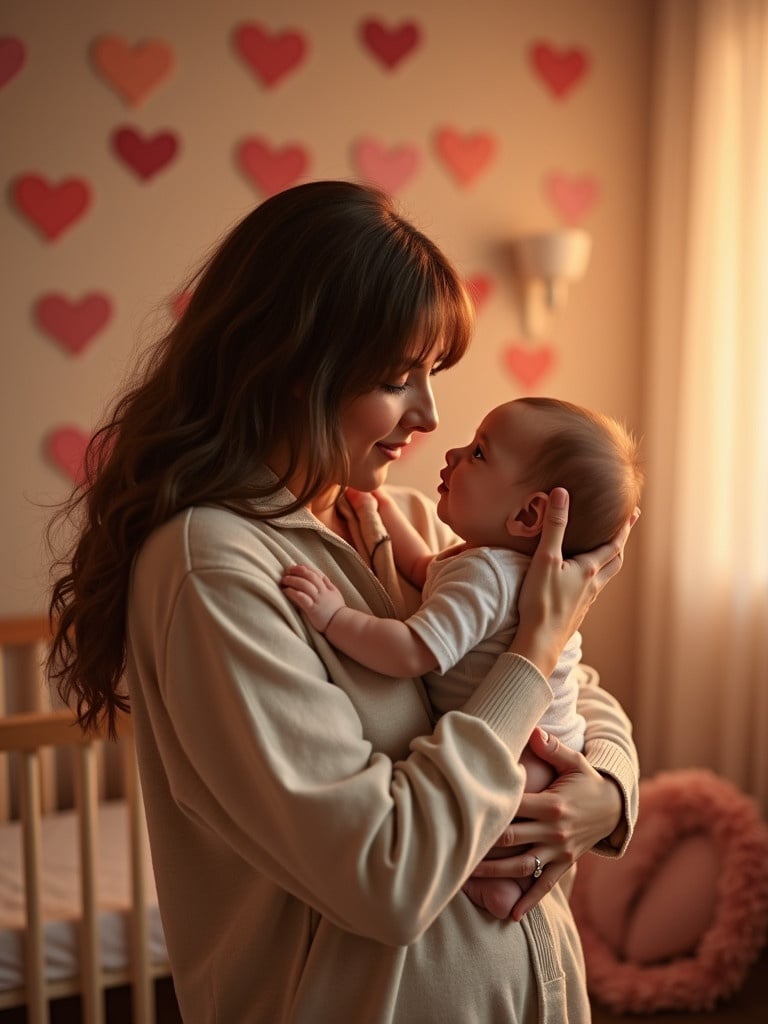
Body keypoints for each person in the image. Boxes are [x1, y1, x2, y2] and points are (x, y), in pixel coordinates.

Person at [46, 180, 640, 1023]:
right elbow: (385, 874)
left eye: (431, 375)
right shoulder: (213, 567)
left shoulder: (404, 518)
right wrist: (532, 653)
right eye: (400, 378)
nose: (429, 414)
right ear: (292, 368)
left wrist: (605, 798)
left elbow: (579, 692)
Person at [281, 396, 644, 918]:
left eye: (478, 454)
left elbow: (413, 650)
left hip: (531, 759)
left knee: (498, 819)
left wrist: (336, 618)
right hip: (555, 747)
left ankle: (494, 883)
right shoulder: (494, 563)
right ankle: (498, 890)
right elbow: (425, 568)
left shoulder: (487, 573)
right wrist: (377, 513)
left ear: (528, 513)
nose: (447, 445)